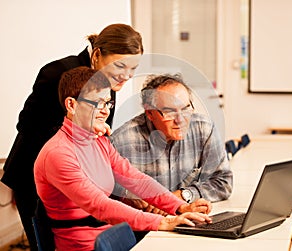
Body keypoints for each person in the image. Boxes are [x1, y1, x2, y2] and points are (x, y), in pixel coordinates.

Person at [34, 66, 212, 251]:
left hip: (113, 240)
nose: (105, 111)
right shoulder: (58, 154)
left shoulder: (98, 141)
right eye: (98, 103)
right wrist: (164, 222)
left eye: (108, 103)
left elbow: (137, 181)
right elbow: (100, 205)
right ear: (72, 105)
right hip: (85, 247)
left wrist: (180, 207)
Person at [1, 23, 143, 250]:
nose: (126, 76)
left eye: (133, 69)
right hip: (37, 182)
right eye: (120, 65)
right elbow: (27, 125)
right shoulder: (57, 73)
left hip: (77, 182)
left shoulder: (109, 83)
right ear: (97, 54)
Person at [109, 73, 233, 214]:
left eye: (185, 109)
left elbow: (223, 181)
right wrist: (128, 197)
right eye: (169, 112)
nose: (180, 119)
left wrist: (183, 195)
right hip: (143, 228)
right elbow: (101, 192)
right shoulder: (121, 141)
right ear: (150, 113)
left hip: (186, 220)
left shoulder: (204, 129)